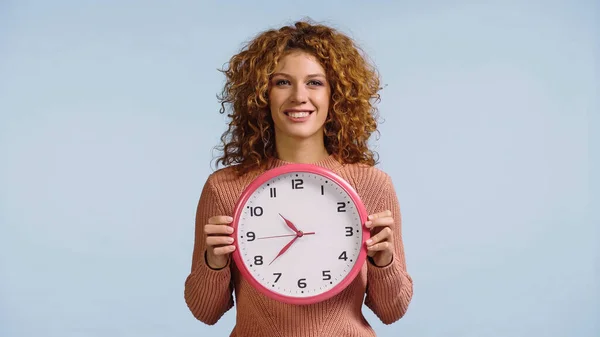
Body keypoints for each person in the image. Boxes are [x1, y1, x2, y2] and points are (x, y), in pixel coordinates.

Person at [184, 19, 413, 336]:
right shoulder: (225, 188)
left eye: (315, 83)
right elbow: (204, 312)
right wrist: (214, 262)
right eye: (282, 83)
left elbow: (392, 311)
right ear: (261, 95)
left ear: (336, 95)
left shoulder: (373, 185)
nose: (298, 96)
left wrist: (384, 262)